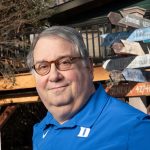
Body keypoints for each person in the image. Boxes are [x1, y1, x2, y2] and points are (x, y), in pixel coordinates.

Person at [27, 26, 150, 150]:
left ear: (89, 68)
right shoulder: (41, 130)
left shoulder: (136, 129)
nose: (54, 76)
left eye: (65, 62)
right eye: (43, 66)